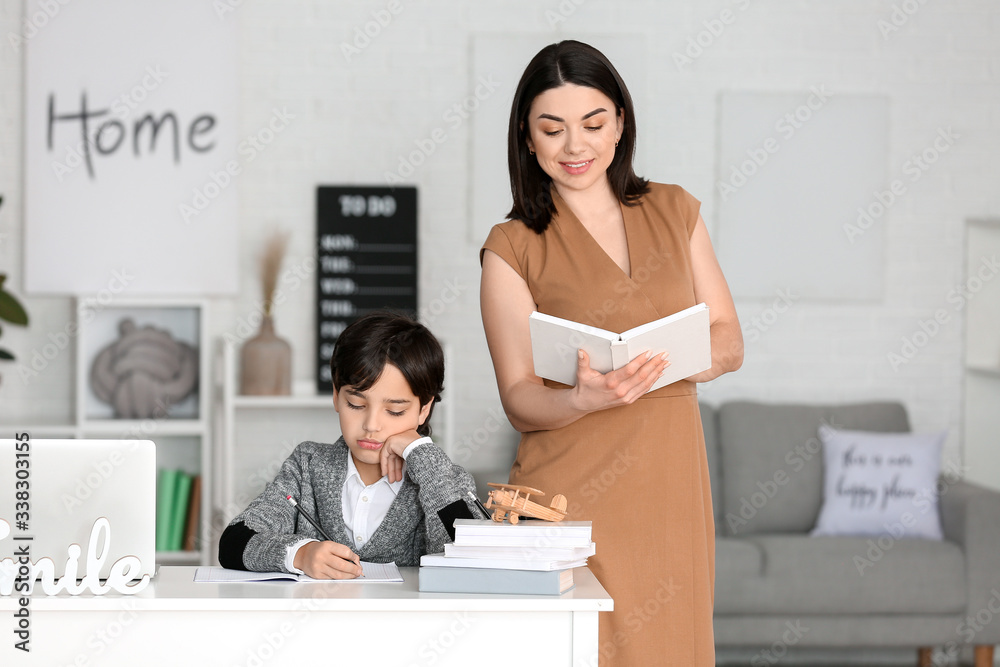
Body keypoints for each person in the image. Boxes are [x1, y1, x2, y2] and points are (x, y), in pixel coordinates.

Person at [480, 40, 743, 665]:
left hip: (669, 484)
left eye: (594, 124)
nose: (576, 146)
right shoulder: (511, 246)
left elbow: (728, 339)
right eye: (553, 128)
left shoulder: (676, 211)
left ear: (620, 124)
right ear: (527, 137)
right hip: (572, 493)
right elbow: (520, 398)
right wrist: (581, 397)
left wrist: (646, 373)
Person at [219, 311, 478, 579]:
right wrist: (300, 554)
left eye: (395, 410)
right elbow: (233, 542)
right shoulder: (308, 466)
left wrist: (424, 457)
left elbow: (473, 565)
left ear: (424, 409)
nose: (371, 425)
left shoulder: (449, 482)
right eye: (356, 404)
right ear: (336, 396)